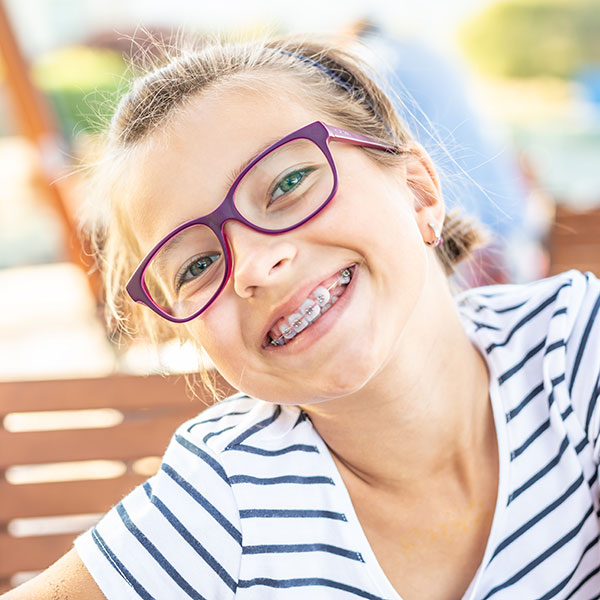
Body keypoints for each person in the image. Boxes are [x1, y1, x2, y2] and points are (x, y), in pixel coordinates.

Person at [3, 35, 599, 600]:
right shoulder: (226, 502)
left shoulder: (573, 348)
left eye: (288, 184)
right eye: (197, 266)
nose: (254, 266)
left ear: (418, 190)